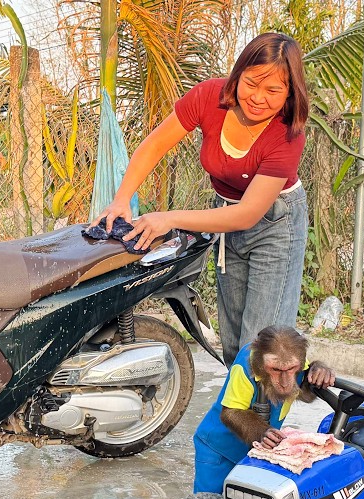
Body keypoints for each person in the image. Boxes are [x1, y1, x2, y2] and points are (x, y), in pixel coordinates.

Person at [95, 32, 310, 366]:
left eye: (273, 90)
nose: (258, 98)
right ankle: (238, 400)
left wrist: (169, 218)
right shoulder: (210, 96)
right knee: (233, 343)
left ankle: (270, 403)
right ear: (238, 74)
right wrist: (122, 198)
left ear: (290, 92)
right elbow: (154, 145)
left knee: (265, 348)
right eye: (251, 83)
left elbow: (248, 213)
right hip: (224, 216)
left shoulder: (287, 134)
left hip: (276, 223)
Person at [192, 326, 335, 494]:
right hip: (217, 449)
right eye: (275, 370)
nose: (284, 382)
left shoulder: (296, 361)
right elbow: (231, 412)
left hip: (254, 452)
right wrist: (262, 432)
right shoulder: (245, 366)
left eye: (290, 369)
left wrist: (318, 370)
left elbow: (306, 395)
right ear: (260, 362)